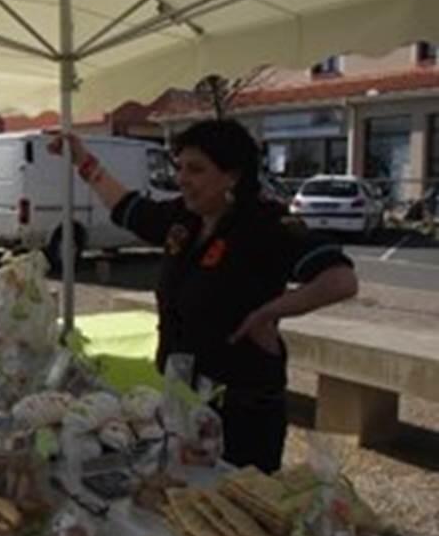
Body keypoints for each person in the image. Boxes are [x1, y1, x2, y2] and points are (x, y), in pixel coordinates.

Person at [49, 120, 358, 473]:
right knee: (181, 495)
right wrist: (82, 160)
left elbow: (340, 279)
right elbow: (128, 208)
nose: (182, 179)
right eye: (180, 167)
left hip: (242, 409)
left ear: (232, 175)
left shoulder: (265, 225)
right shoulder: (186, 218)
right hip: (183, 396)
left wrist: (268, 312)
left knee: (232, 510)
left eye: (196, 169)